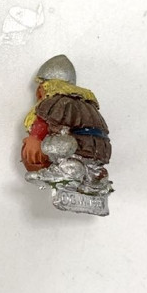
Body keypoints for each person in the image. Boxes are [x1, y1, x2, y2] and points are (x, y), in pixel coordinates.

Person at [21, 55, 111, 194]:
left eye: (41, 86)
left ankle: (62, 171)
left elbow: (43, 123)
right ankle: (94, 174)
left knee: (54, 141)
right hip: (98, 151)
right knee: (85, 160)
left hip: (75, 147)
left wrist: (34, 139)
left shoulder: (56, 101)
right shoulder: (89, 105)